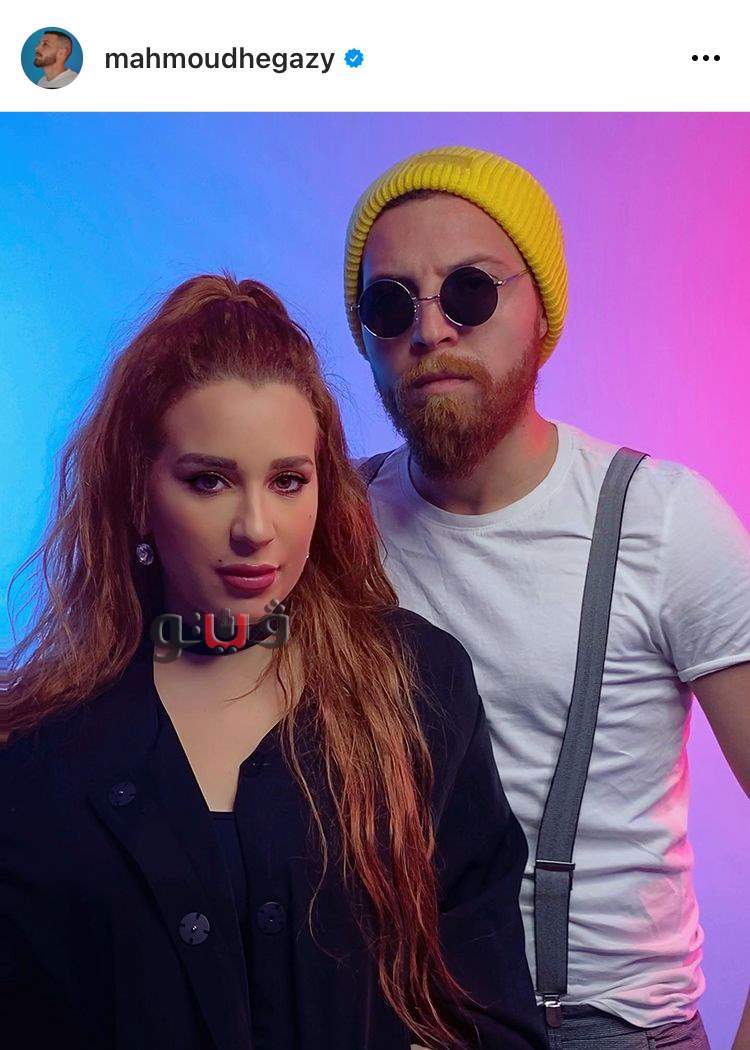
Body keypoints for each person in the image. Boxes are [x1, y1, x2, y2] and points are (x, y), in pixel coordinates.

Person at [0, 274, 549, 1050]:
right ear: (138, 495)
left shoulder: (417, 686)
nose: (255, 527)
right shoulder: (37, 757)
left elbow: (494, 1013)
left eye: (288, 481)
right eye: (208, 481)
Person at [344, 146, 750, 1049]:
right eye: (391, 304)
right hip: (394, 1022)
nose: (431, 330)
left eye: (470, 291)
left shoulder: (660, 519)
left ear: (542, 312)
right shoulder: (329, 522)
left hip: (609, 1027)